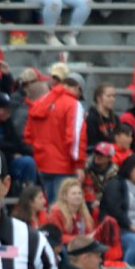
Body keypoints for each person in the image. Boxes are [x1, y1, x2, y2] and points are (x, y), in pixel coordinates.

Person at [24, 71, 87, 202]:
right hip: (65, 166)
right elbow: (75, 138)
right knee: (61, 210)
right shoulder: (73, 104)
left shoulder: (41, 101)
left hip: (42, 163)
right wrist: (79, 164)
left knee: (48, 208)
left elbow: (28, 136)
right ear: (77, 88)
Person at [99, 153, 135, 266]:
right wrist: (130, 226)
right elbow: (114, 209)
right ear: (130, 168)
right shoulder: (115, 184)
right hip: (120, 228)